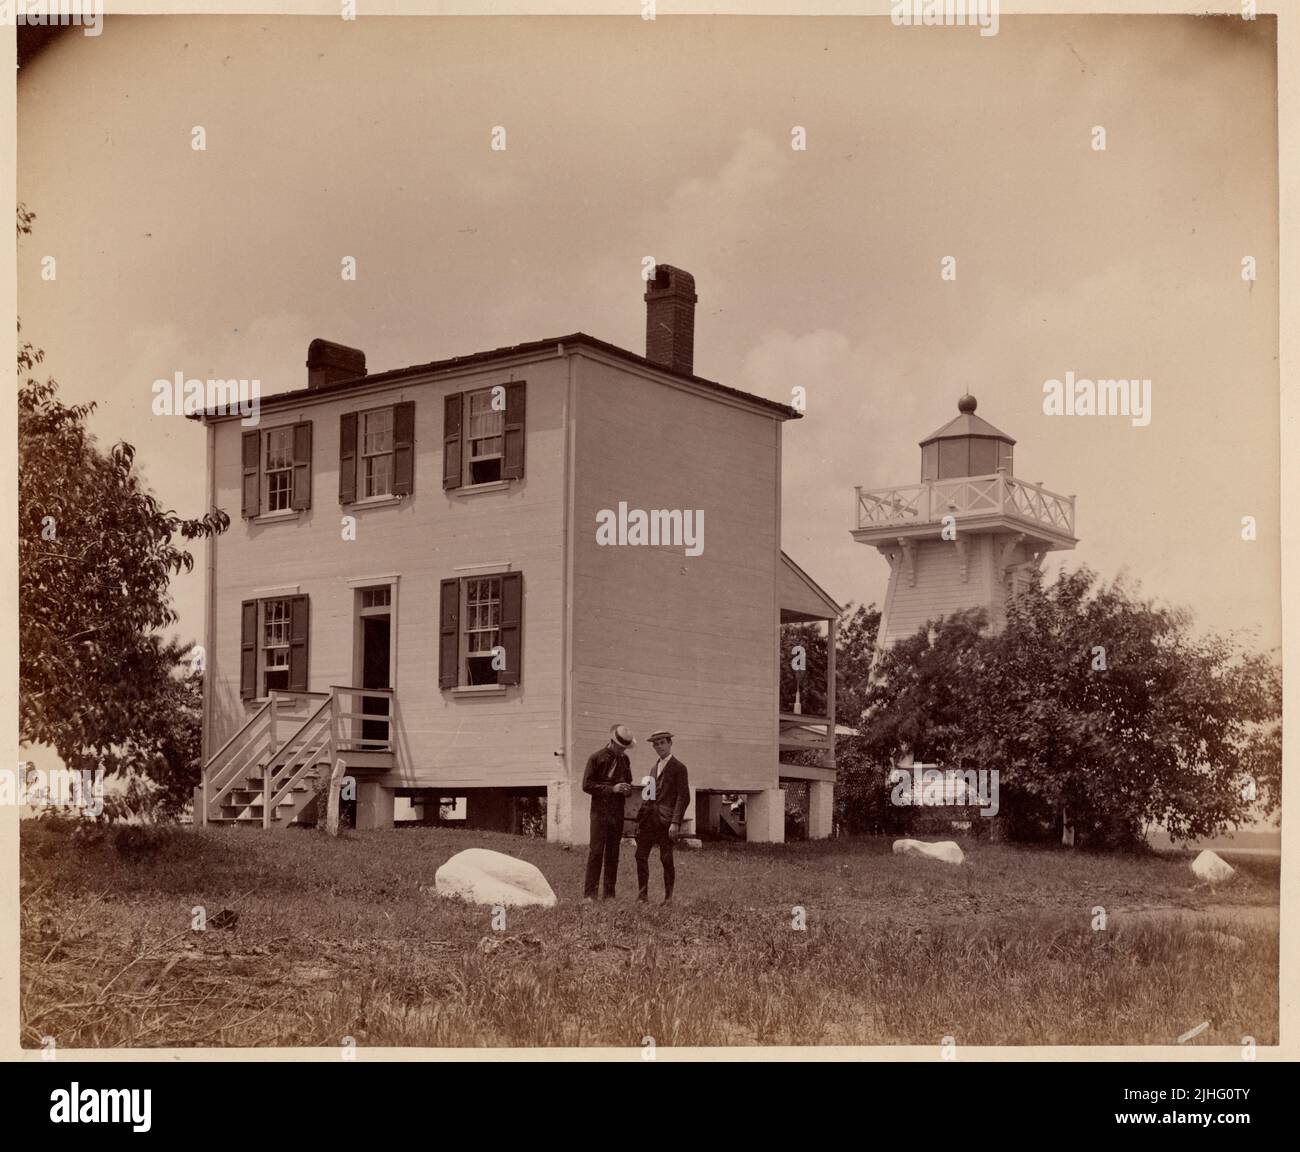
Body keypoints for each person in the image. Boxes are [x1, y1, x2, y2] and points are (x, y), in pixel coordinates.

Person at [635, 730, 690, 904]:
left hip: (666, 821)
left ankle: (668, 898)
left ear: (670, 743)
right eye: (656, 744)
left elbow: (683, 796)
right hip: (648, 820)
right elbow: (648, 795)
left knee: (666, 857)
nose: (659, 747)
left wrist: (675, 822)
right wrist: (640, 820)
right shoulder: (653, 768)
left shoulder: (679, 767)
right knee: (640, 855)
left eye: (662, 743)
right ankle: (642, 896)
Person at [582, 724, 634, 902]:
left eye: (625, 748)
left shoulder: (625, 760)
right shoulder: (596, 758)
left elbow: (629, 781)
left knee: (613, 853)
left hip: (617, 813)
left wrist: (627, 789)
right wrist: (612, 789)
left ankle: (609, 895)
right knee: (596, 852)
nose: (622, 751)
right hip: (599, 812)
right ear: (612, 742)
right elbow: (587, 785)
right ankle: (590, 895)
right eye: (620, 747)